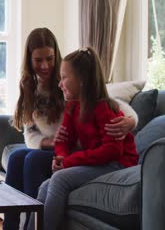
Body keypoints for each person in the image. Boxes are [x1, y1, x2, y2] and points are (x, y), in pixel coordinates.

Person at [3, 28, 138, 230]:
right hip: (70, 153)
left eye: (49, 59)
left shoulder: (95, 102)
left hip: (96, 157)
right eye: (38, 60)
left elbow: (119, 118)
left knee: (39, 166)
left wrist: (130, 122)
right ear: (29, 60)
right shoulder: (56, 96)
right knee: (17, 158)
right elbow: (45, 136)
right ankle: (12, 227)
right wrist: (58, 150)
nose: (45, 66)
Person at [36, 47, 139, 230]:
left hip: (118, 164)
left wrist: (69, 161)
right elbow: (62, 141)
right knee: (45, 186)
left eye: (65, 78)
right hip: (99, 163)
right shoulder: (73, 107)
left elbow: (112, 151)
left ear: (82, 80)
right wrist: (60, 157)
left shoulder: (104, 109)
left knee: (59, 180)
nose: (60, 84)